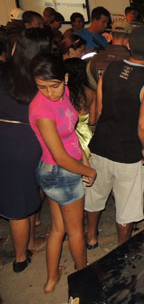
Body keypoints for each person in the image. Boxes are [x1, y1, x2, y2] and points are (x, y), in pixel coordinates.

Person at [85, 26, 144, 246]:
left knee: (95, 196)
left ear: (128, 45)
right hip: (128, 153)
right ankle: (121, 250)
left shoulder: (109, 69)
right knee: (126, 207)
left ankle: (91, 237)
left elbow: (99, 109)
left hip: (101, 145)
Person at [29, 54, 96, 293]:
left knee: (58, 228)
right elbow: (60, 157)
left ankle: (51, 279)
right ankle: (84, 278)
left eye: (54, 85)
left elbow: (72, 134)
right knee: (76, 230)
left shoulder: (65, 93)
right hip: (61, 172)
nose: (49, 93)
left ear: (65, 78)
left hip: (63, 168)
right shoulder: (42, 109)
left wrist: (84, 156)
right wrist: (87, 170)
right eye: (41, 87)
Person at [0, 28, 52, 274]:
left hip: (4, 136)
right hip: (27, 140)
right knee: (20, 202)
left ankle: (31, 242)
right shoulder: (41, 77)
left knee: (23, 194)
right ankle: (21, 257)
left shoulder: (3, 70)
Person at [64, 58, 97, 158]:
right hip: (87, 141)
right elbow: (92, 121)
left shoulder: (62, 93)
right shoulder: (91, 93)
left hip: (67, 140)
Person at [86, 20, 132, 90]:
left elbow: (92, 85)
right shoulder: (133, 59)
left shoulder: (95, 59)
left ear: (110, 35)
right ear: (130, 38)